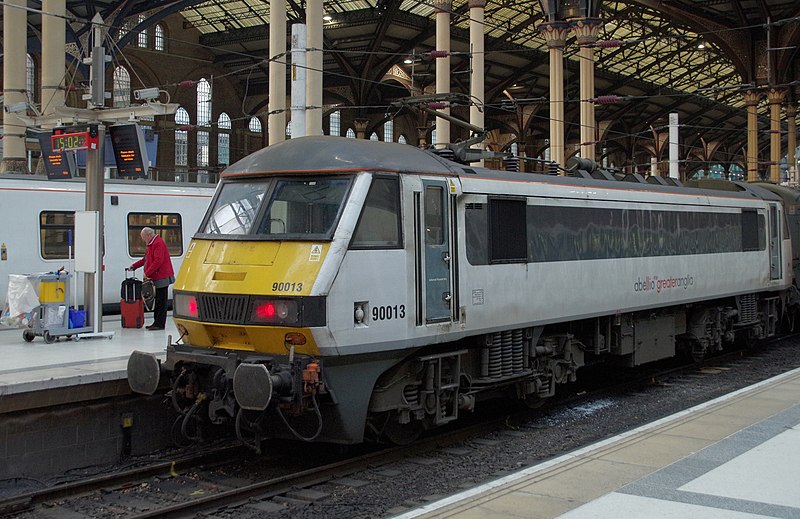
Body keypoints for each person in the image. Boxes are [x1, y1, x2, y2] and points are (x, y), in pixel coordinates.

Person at [129, 227, 175, 330]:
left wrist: (147, 273)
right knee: (157, 300)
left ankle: (159, 324)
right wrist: (134, 266)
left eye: (143, 237)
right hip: (157, 276)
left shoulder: (157, 243)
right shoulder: (151, 244)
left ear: (149, 235)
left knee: (161, 301)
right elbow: (145, 259)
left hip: (161, 276)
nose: (143, 239)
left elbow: (158, 261)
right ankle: (156, 323)